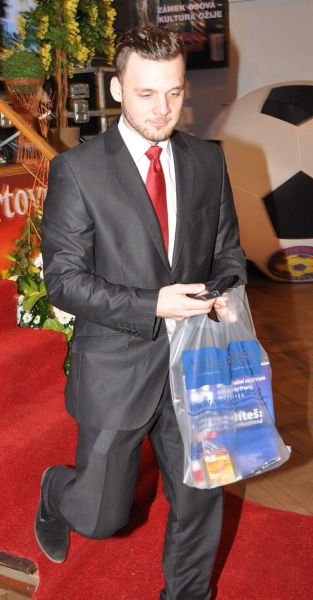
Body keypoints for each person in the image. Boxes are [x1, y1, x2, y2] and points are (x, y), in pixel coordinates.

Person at [34, 25, 247, 600]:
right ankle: (57, 490)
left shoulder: (208, 160)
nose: (162, 108)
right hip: (116, 363)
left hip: (195, 362)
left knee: (201, 496)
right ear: (117, 89)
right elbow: (63, 281)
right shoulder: (79, 170)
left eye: (174, 92)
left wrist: (224, 294)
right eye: (147, 93)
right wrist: (153, 304)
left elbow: (229, 253)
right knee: (101, 517)